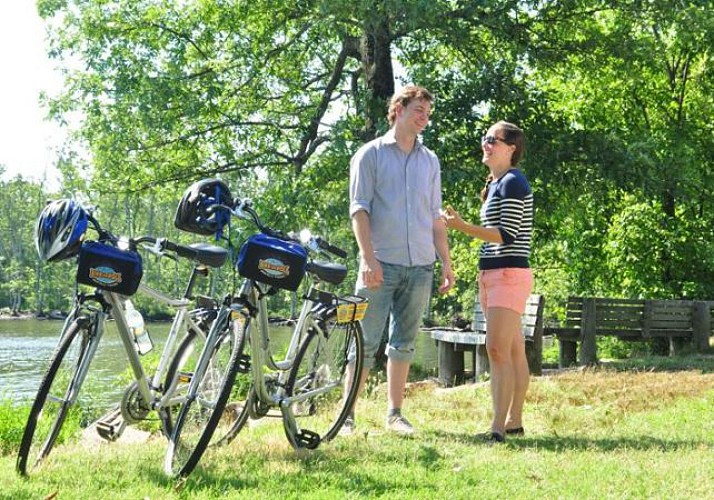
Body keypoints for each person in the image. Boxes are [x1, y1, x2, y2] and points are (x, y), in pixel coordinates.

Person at [346, 85, 455, 435]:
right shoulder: (370, 155)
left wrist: (446, 262)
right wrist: (367, 258)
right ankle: (345, 417)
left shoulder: (430, 160)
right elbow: (359, 210)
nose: (424, 118)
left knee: (404, 342)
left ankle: (394, 414)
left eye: (427, 113)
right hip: (379, 264)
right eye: (418, 110)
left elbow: (436, 216)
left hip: (420, 265)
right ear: (398, 110)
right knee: (364, 342)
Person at [443, 121, 533, 443]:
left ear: (511, 148)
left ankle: (497, 427)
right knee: (510, 350)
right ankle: (514, 422)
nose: (486, 144)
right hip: (492, 275)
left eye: (492, 140)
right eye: (485, 139)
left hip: (508, 274)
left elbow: (505, 235)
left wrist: (462, 226)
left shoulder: (513, 181)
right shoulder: (496, 184)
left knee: (496, 350)